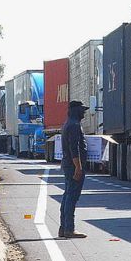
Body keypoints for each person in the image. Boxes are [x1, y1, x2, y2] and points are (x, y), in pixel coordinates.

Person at [58, 101, 88, 239]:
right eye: (82, 110)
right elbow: (74, 148)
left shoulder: (67, 124)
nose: (84, 113)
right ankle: (69, 229)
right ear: (76, 110)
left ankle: (63, 228)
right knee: (71, 197)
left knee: (67, 195)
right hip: (73, 165)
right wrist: (78, 167)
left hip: (68, 164)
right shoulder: (74, 125)